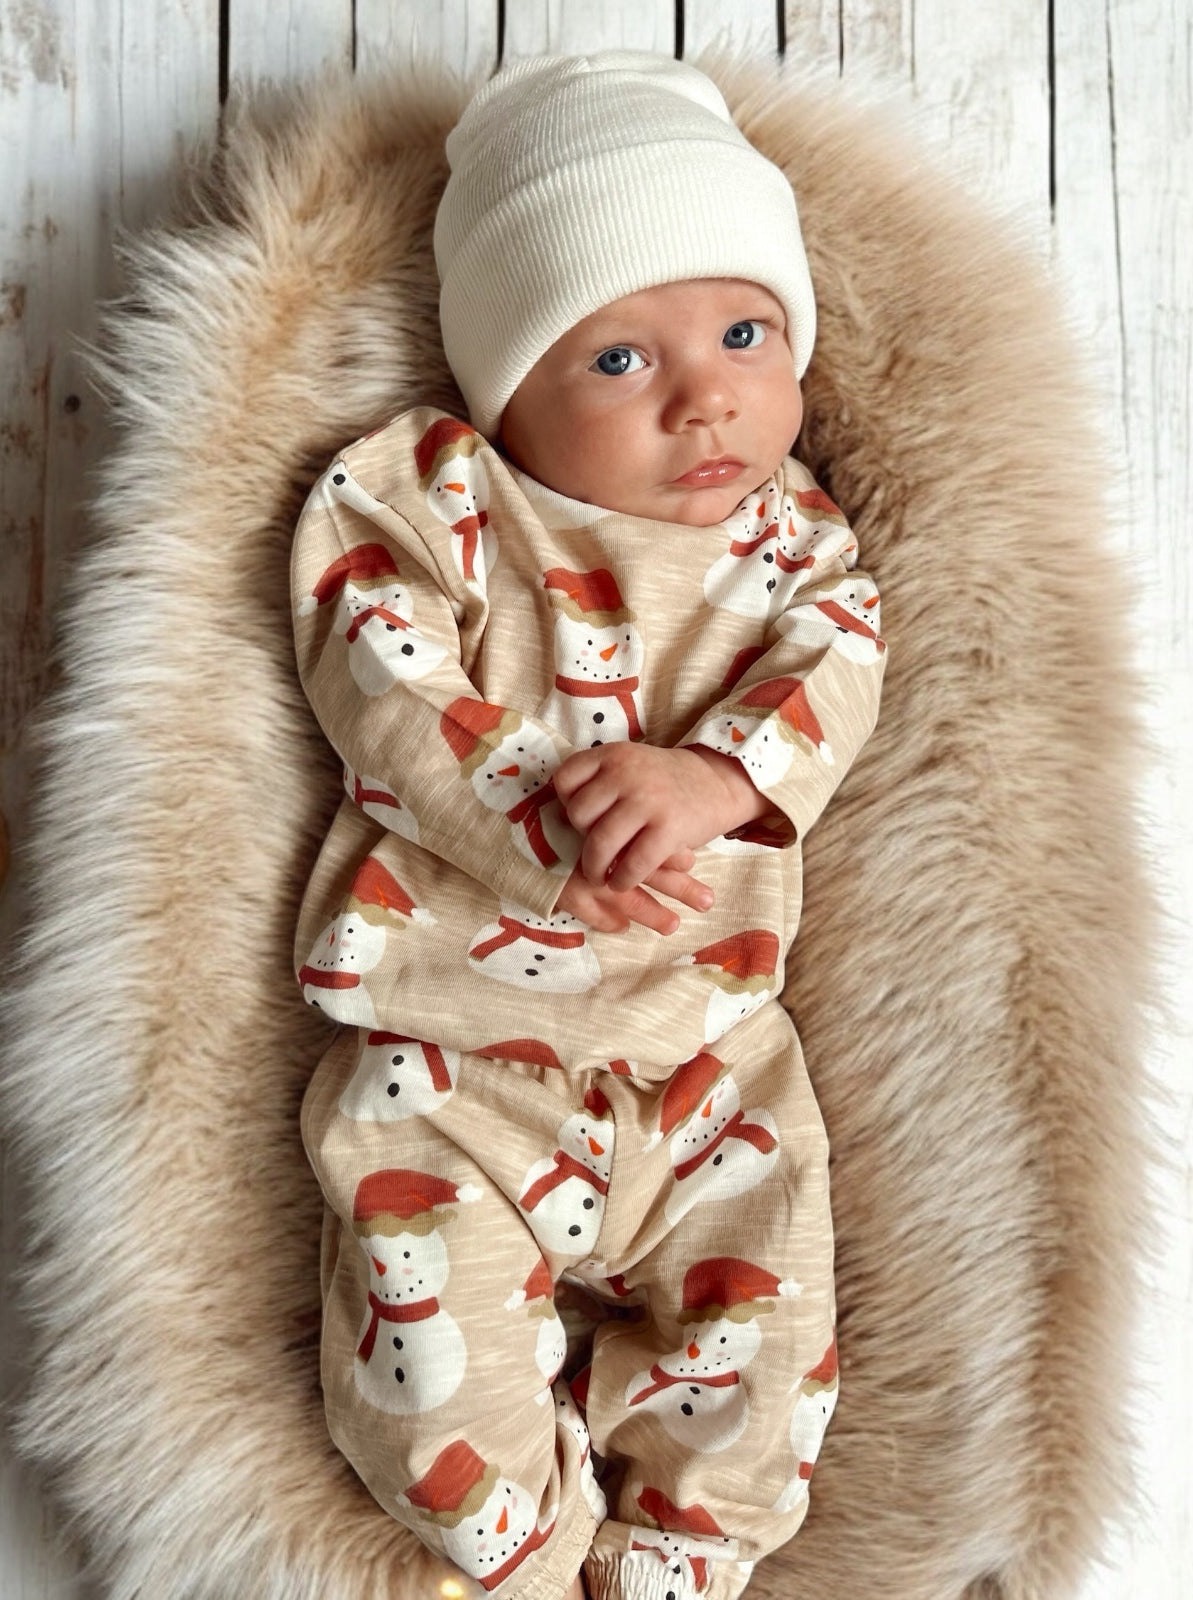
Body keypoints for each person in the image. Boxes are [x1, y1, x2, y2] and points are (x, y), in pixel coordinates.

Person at [291, 51, 885, 1600]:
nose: (705, 396)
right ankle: (536, 1557)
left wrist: (719, 779)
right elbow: (381, 680)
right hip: (453, 1064)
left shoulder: (792, 539)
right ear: (505, 388)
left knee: (767, 1338)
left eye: (746, 334)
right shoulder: (429, 495)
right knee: (427, 1381)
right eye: (619, 357)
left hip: (712, 1060)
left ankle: (681, 1564)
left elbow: (840, 666)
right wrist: (539, 819)